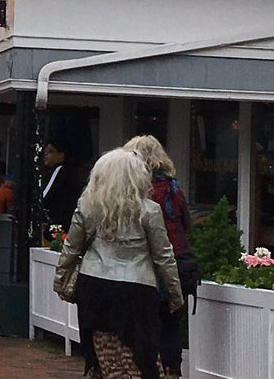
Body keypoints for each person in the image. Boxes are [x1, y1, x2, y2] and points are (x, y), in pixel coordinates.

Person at [55, 148, 183, 379]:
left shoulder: (87, 205)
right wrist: (174, 295)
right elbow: (164, 256)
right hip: (137, 289)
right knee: (141, 355)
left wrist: (60, 281)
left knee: (103, 353)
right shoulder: (149, 210)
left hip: (94, 285)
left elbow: (71, 248)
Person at [126, 135, 193, 378]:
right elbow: (186, 222)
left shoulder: (138, 192)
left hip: (148, 265)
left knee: (146, 322)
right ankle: (172, 370)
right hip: (176, 261)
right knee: (171, 322)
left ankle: (149, 370)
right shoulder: (173, 188)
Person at [41, 137, 80, 230]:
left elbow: (45, 196)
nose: (46, 155)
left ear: (61, 155)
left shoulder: (59, 170)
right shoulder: (71, 171)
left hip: (57, 222)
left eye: (50, 151)